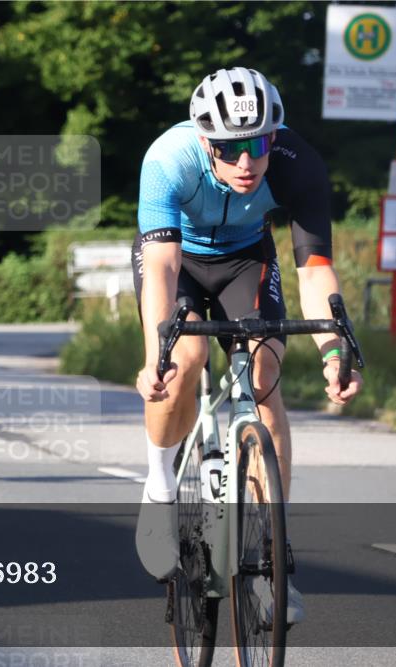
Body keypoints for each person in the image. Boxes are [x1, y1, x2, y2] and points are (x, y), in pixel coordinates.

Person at [132, 68, 363, 624]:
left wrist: (335, 351)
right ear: (207, 141)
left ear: (273, 137)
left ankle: (266, 562)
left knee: (263, 377)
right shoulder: (168, 159)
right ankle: (160, 487)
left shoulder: (295, 163)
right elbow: (160, 269)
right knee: (183, 361)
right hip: (179, 262)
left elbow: (316, 272)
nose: (246, 161)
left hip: (245, 260)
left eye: (257, 143)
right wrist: (153, 355)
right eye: (232, 147)